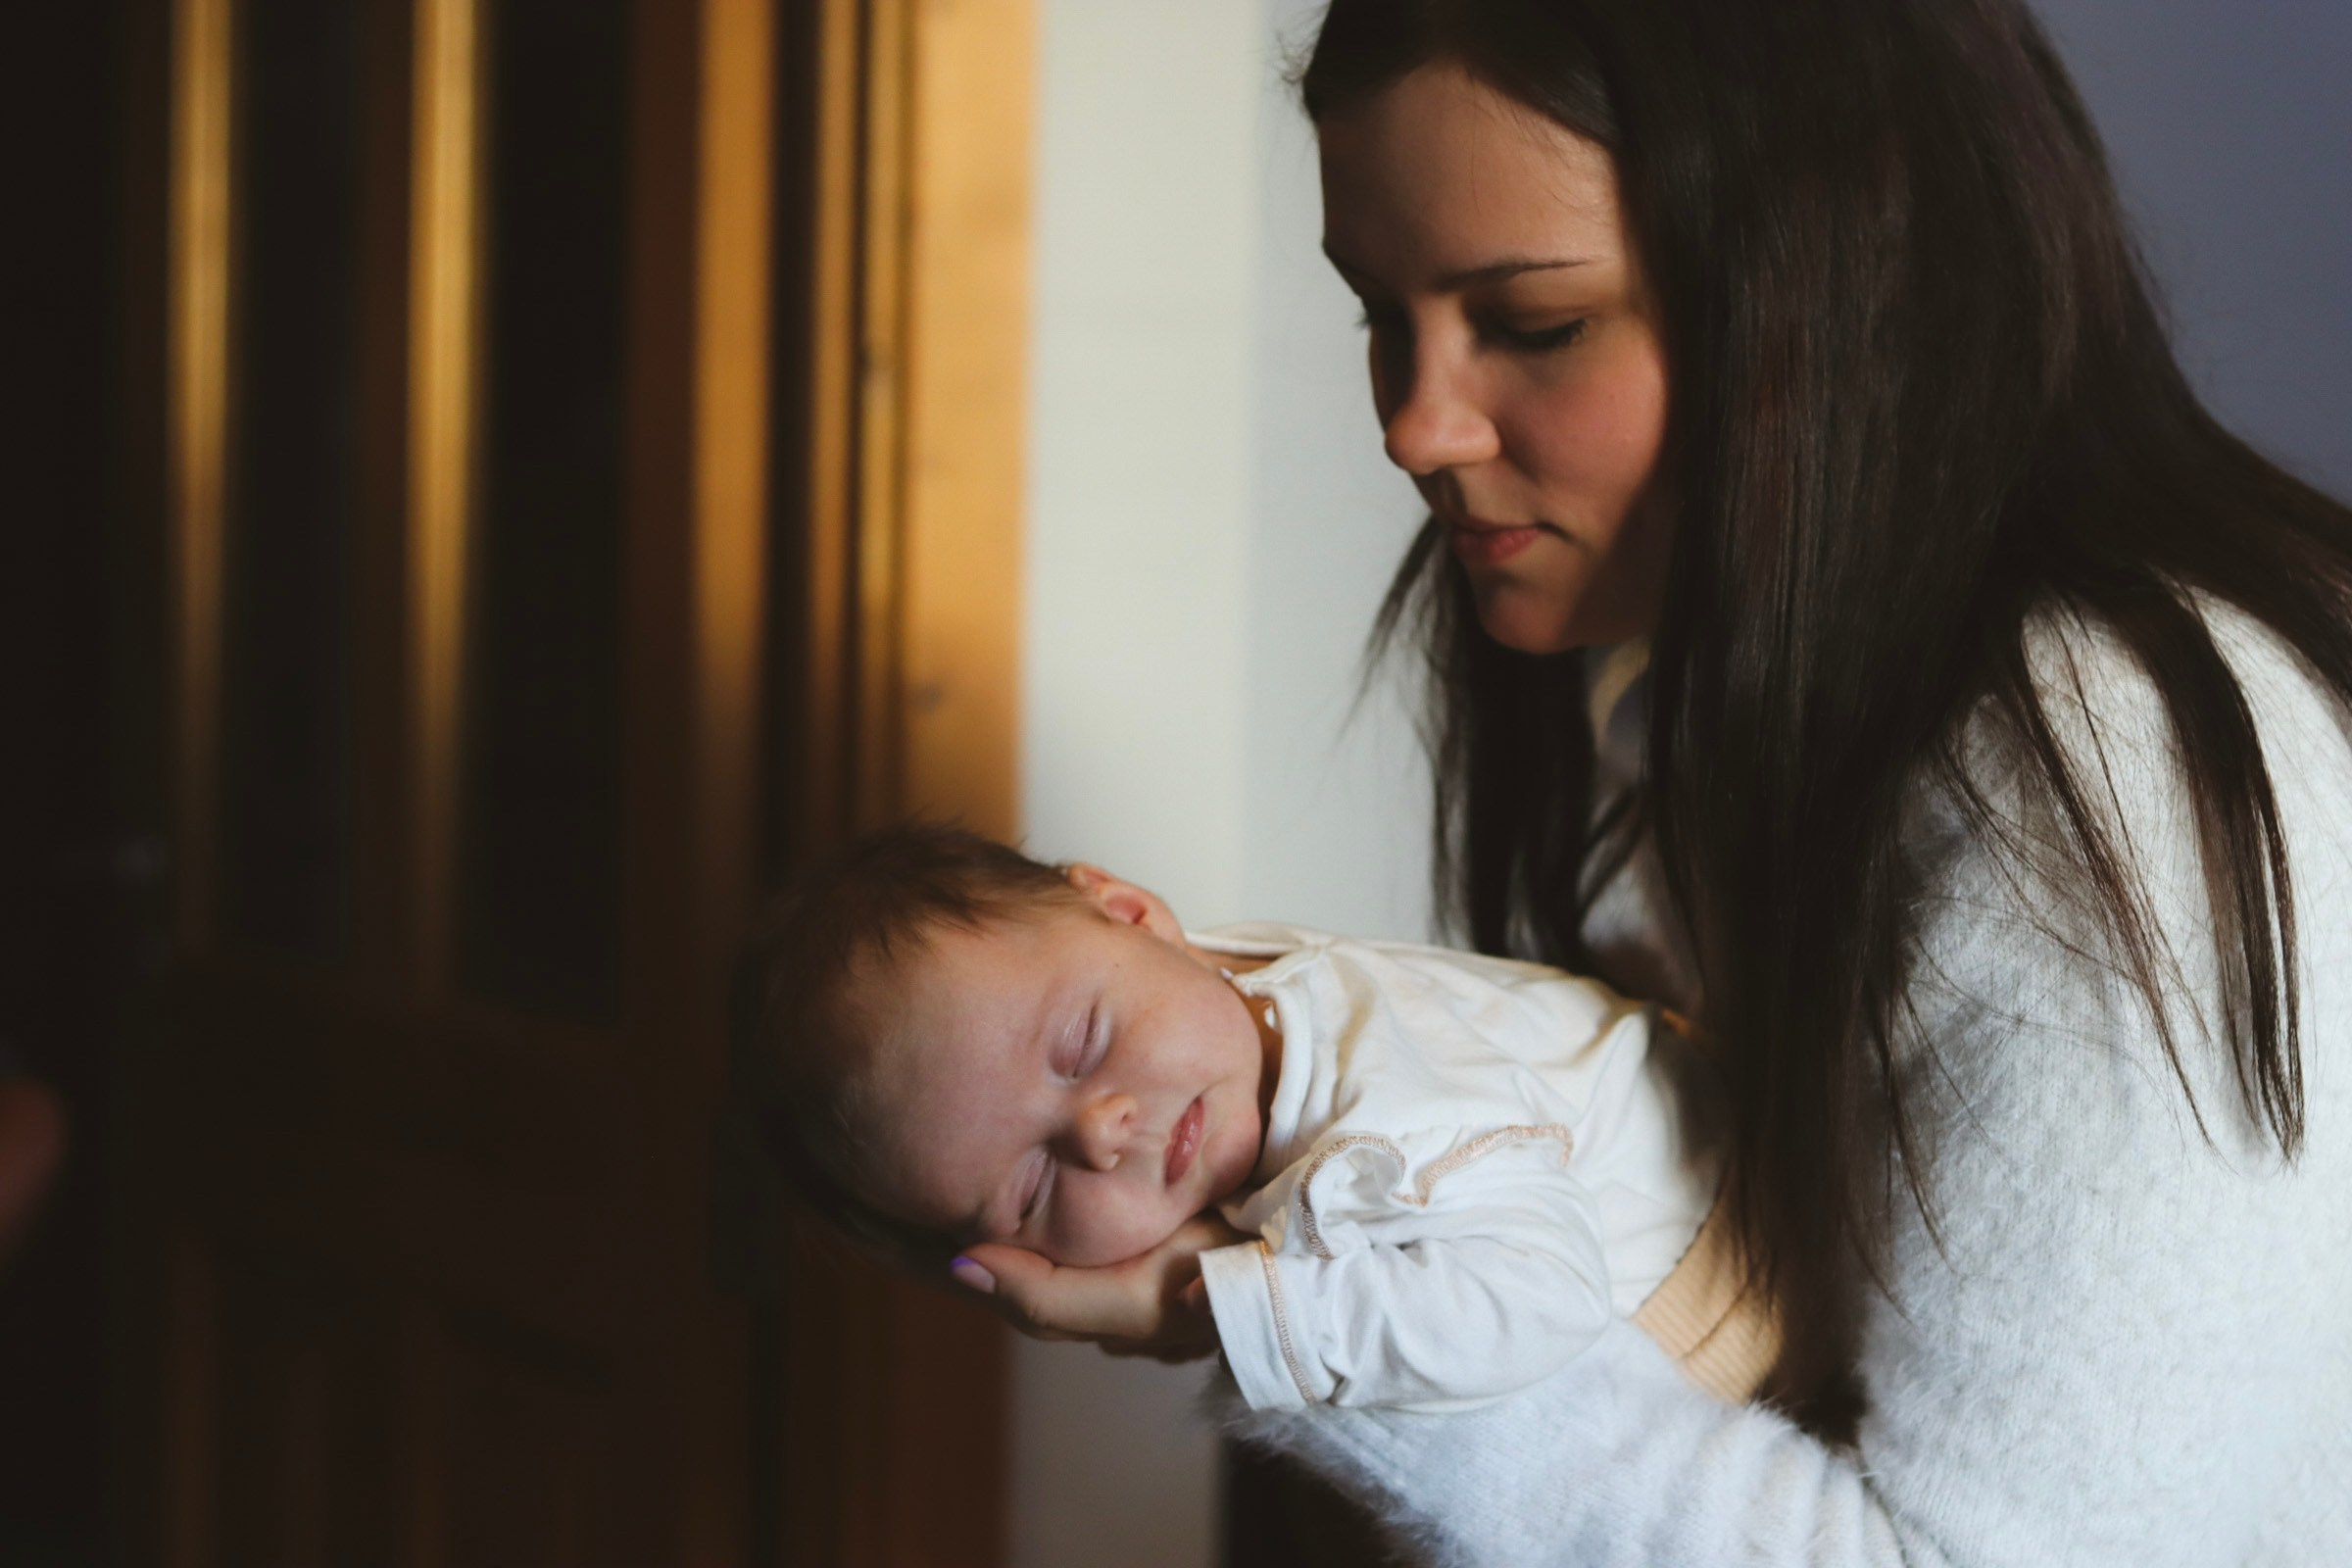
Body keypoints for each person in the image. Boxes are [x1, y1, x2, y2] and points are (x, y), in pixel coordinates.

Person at [950, 2, 2352, 1562]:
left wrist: (1320, 1327)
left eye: (1534, 324)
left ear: (1840, 279)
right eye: (1377, 314)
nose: (1415, 426)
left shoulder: (2100, 790)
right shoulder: (1729, 699)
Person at [730, 824, 1779, 1414]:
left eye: (1083, 1043)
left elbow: (1548, 1300)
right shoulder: (1215, 977)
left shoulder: (1371, 1131)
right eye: (1033, 1188)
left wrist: (1225, 1308)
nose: (1102, 1131)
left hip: (1731, 1298)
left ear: (1133, 915)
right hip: (1709, 1124)